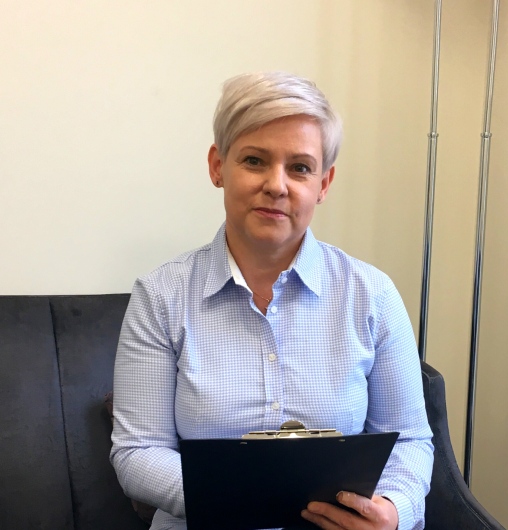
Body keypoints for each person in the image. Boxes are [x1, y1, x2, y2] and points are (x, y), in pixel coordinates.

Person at [110, 71, 434, 530]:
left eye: (300, 167)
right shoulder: (160, 297)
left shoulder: (373, 296)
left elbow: (410, 441)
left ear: (324, 183)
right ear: (218, 166)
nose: (277, 185)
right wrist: (242, 496)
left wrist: (393, 511)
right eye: (255, 160)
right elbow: (138, 450)